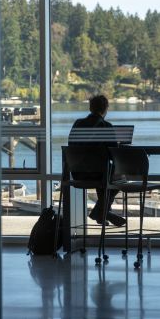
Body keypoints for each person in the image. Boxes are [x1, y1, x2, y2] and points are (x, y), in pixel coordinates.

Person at [68, 94, 126, 227]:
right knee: (120, 178)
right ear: (106, 109)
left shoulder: (78, 124)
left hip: (77, 173)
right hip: (97, 174)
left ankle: (103, 214)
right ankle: (99, 213)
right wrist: (118, 145)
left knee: (105, 175)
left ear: (90, 108)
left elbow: (71, 146)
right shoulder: (106, 126)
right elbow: (114, 156)